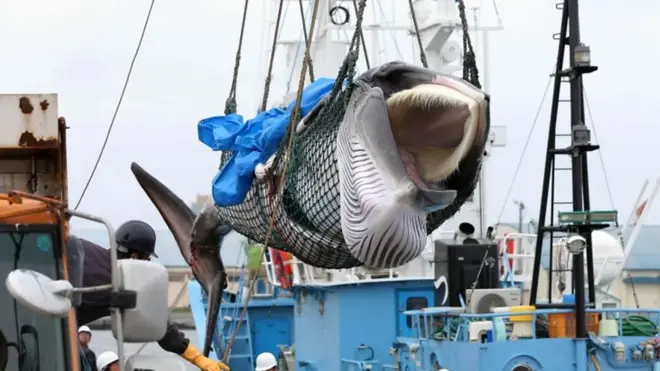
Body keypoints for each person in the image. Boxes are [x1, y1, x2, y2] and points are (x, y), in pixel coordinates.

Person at [71, 220, 230, 371]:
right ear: (134, 257)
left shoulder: (80, 246)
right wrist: (198, 359)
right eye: (146, 259)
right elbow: (161, 328)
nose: (146, 265)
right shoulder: (121, 283)